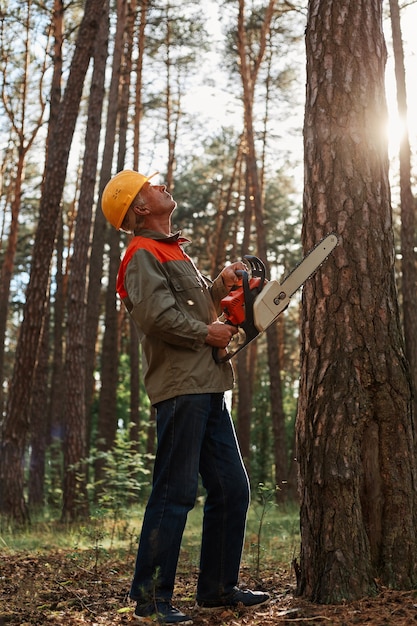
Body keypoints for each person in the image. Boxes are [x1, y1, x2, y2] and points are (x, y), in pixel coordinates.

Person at [101, 170, 270, 625]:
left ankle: (217, 588)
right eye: (151, 187)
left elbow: (192, 307)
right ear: (139, 207)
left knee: (232, 488)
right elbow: (157, 317)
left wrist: (221, 283)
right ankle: (151, 599)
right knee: (174, 493)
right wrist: (208, 332)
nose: (161, 186)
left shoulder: (171, 249)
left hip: (208, 383)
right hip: (180, 388)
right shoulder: (140, 253)